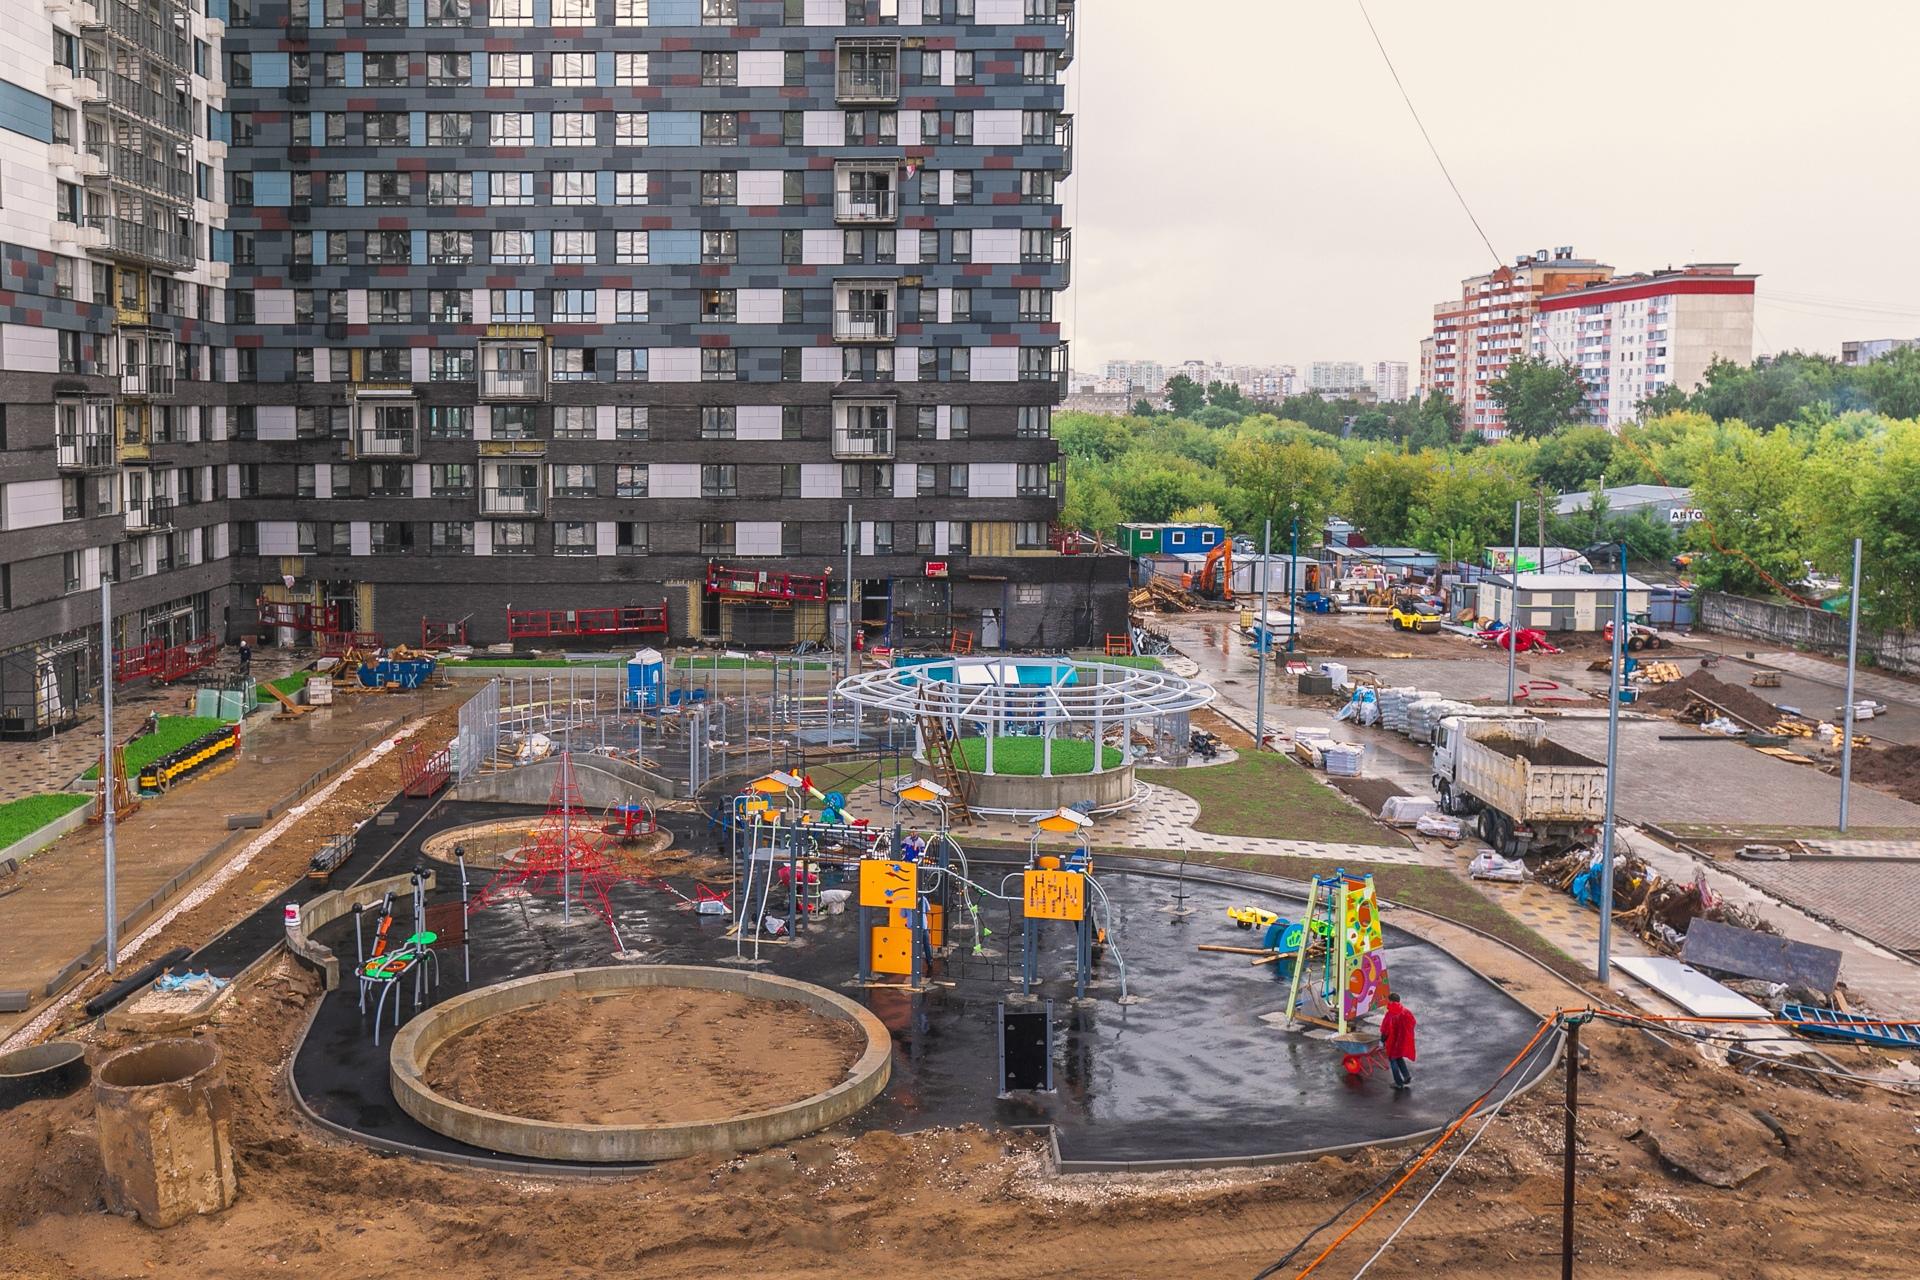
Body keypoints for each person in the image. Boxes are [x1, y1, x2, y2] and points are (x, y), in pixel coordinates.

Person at [1380, 992, 1417, 1089]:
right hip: (1402, 1040)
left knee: (1393, 1060)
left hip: (1392, 1042)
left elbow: (1385, 1030)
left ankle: (1398, 1083)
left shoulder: (1390, 1015)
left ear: (1391, 1001)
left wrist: (1382, 1040)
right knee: (1399, 1057)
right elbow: (1412, 1022)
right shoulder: (1405, 1011)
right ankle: (1406, 1076)